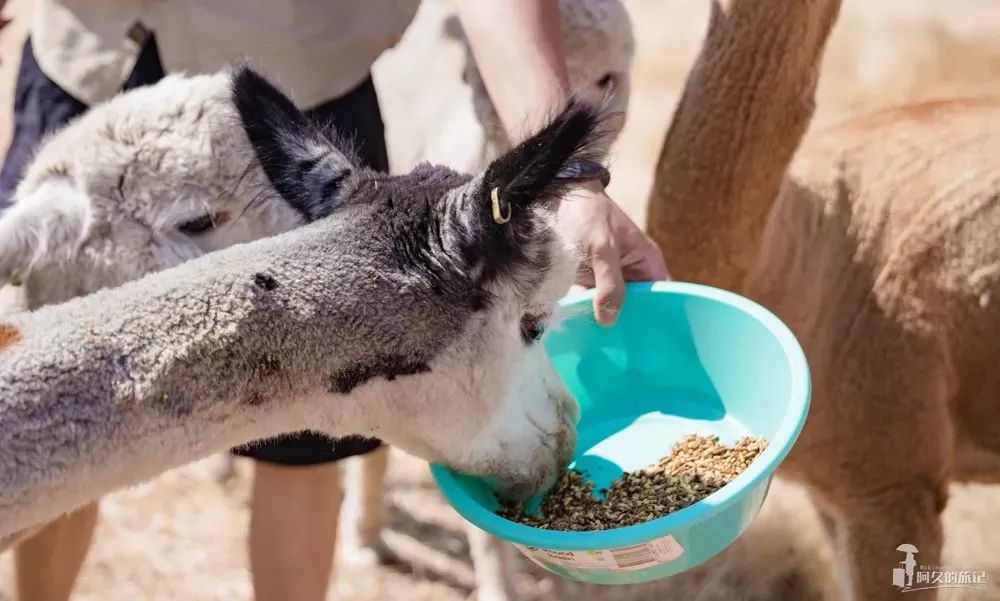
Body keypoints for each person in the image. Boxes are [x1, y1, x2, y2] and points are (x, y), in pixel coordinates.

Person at [0, 1, 668, 600]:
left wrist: (571, 175)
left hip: (296, 104)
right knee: (53, 407)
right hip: (92, 78)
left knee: (304, 432)